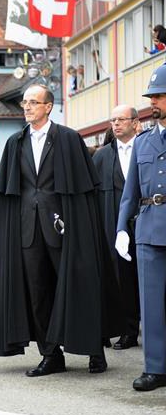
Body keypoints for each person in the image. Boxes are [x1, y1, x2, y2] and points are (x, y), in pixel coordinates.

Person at [0, 84, 124, 376]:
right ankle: (50, 354)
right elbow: (9, 193)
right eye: (24, 103)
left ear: (48, 106)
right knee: (38, 293)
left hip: (64, 228)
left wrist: (76, 224)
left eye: (34, 102)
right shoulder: (15, 142)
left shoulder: (68, 139)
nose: (27, 107)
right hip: (28, 231)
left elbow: (84, 191)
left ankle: (94, 350)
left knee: (78, 287)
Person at [116, 65, 166, 391]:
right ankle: (156, 367)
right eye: (152, 97)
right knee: (150, 305)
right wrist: (122, 228)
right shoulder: (144, 141)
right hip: (148, 230)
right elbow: (130, 192)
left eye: (159, 96)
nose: (154, 102)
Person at [93, 105, 141, 350]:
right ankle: (128, 330)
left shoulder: (147, 147)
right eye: (113, 120)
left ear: (135, 122)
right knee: (121, 278)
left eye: (121, 119)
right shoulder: (101, 156)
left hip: (144, 222)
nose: (116, 124)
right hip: (114, 225)